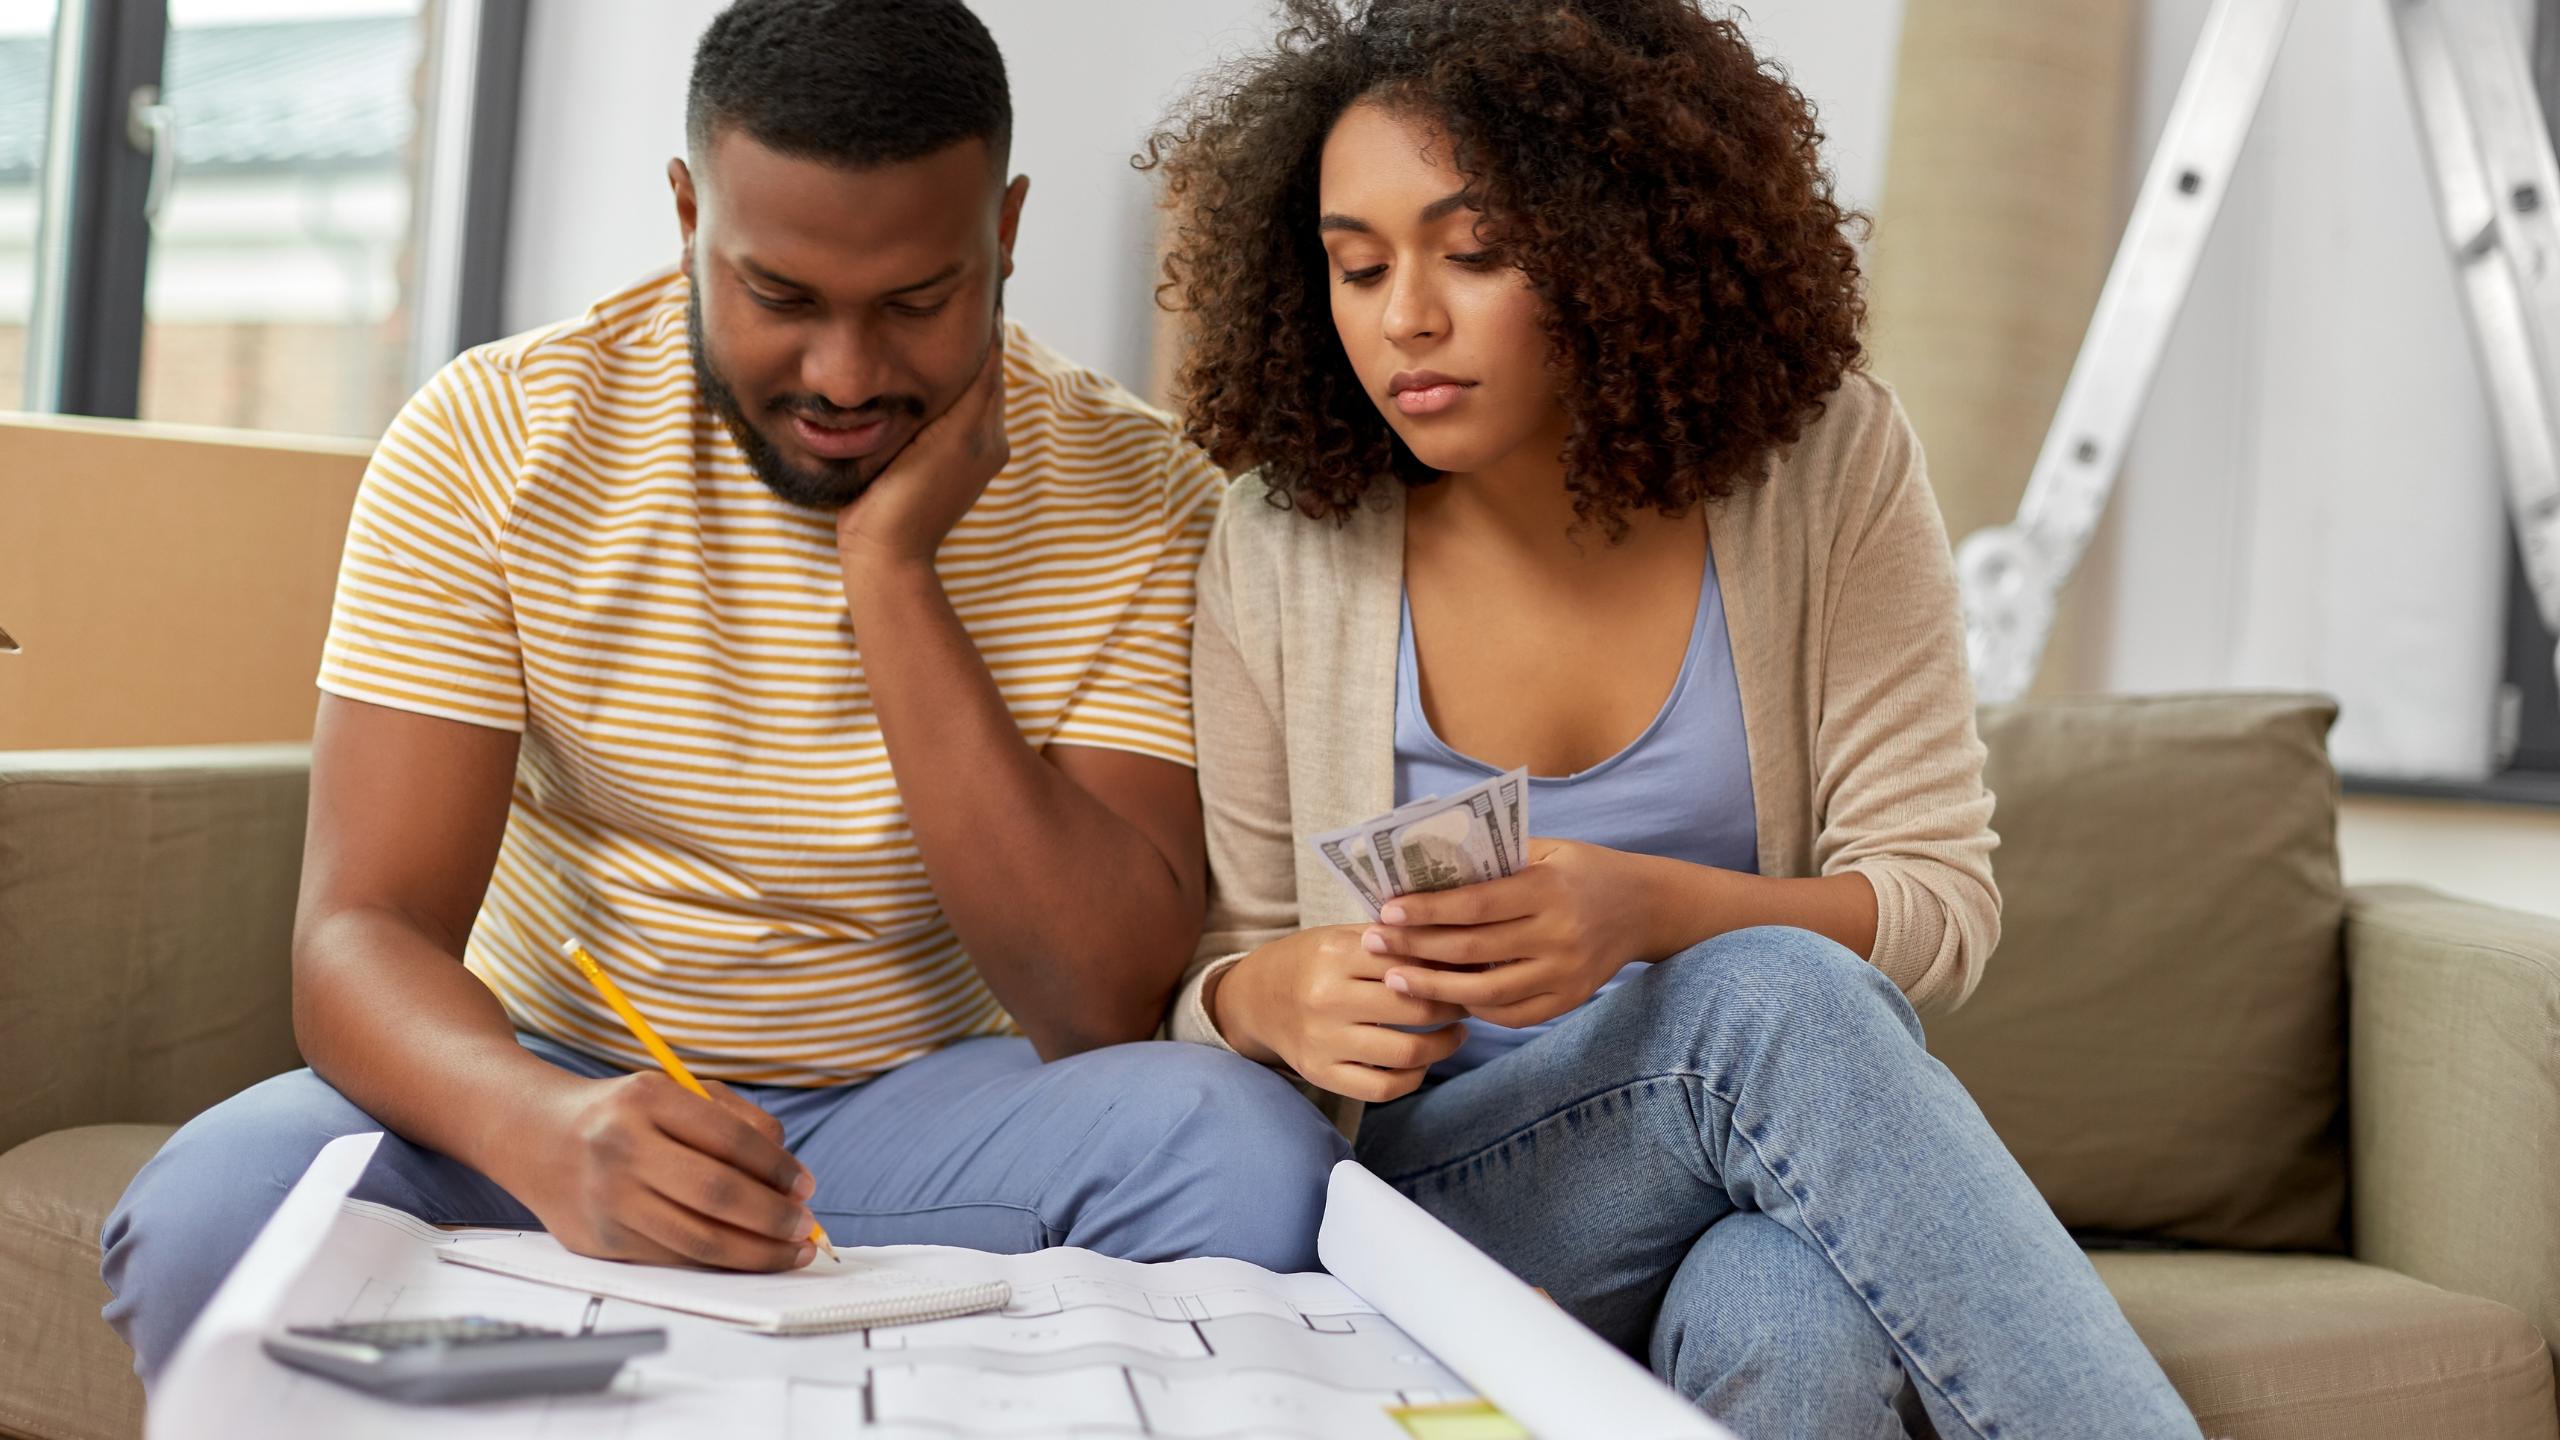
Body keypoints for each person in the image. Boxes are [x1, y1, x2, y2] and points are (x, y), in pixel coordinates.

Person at [100, 0, 1346, 1387]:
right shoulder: (492, 440)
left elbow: (1098, 1003)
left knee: (1249, 1159)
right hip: (548, 1077)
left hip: (926, 1106)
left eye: (917, 303)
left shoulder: (1136, 491)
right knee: (210, 1215)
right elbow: (360, 931)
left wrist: (891, 571)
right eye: (783, 297)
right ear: (690, 214)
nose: (846, 376)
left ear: (1003, 232)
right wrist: (540, 1128)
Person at [1144, 2, 2202, 1437]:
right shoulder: (1286, 539)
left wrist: (1645, 912)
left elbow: (1939, 905)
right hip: (1455, 1213)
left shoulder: (1825, 468)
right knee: (1770, 1001)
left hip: (1738, 1182)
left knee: (1797, 1315)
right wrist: (1274, 999)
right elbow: (1220, 969)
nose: (1406, 318)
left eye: (1474, 252)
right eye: (1357, 265)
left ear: (1616, 243)